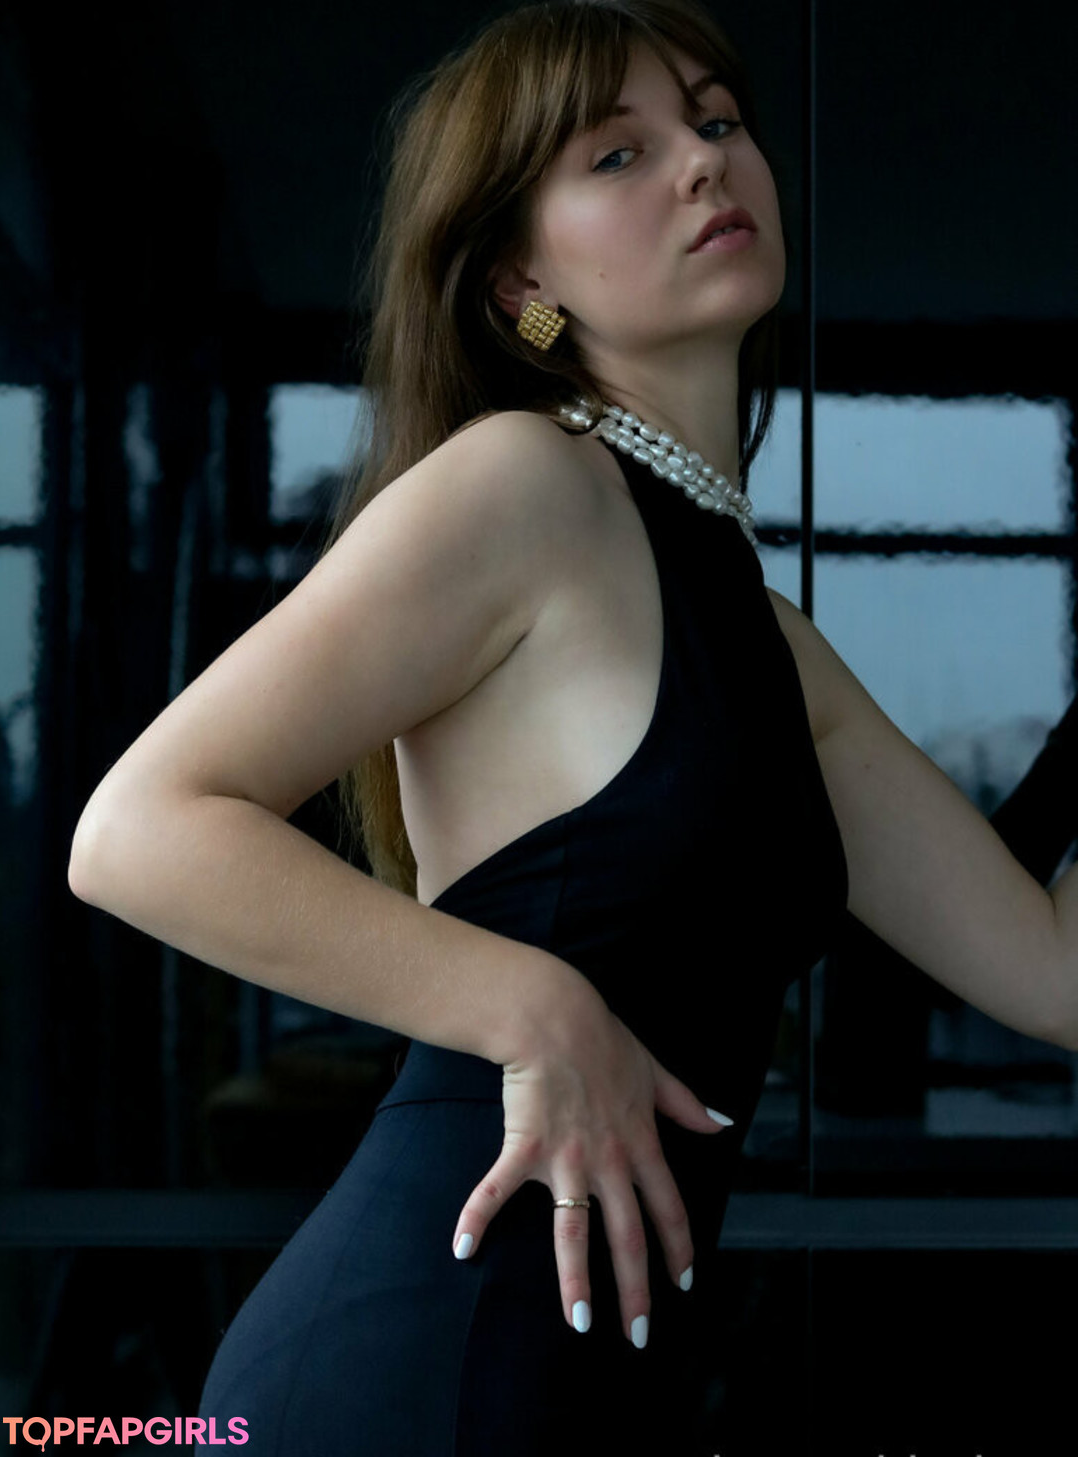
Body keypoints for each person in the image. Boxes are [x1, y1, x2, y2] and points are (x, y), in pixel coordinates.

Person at [66, 0, 1078, 1451]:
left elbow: (1052, 973)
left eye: (716, 120)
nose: (704, 161)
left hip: (583, 1399)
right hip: (406, 1375)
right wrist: (535, 1007)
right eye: (619, 153)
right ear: (519, 282)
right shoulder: (524, 484)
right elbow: (136, 832)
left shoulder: (773, 644)